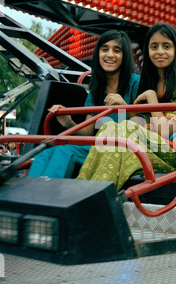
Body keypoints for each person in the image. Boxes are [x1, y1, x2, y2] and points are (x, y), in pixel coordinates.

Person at [76, 23, 176, 190]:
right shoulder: (148, 82)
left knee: (124, 128)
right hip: (150, 147)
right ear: (147, 51)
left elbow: (165, 130)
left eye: (167, 46)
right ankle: (83, 190)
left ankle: (92, 195)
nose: (160, 51)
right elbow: (142, 125)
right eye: (154, 46)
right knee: (112, 129)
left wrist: (151, 97)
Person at [27, 30, 140, 178]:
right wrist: (69, 123)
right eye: (104, 49)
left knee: (64, 152)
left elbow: (145, 126)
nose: (110, 55)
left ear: (124, 56)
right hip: (98, 147)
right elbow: (87, 133)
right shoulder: (96, 90)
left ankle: (46, 194)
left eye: (116, 50)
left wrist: (124, 106)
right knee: (45, 153)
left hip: (123, 149)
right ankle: (29, 195)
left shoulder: (135, 83)